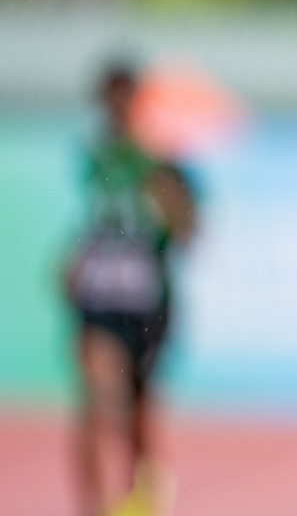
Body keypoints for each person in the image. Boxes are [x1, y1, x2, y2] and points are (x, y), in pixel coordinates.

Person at [66, 63, 198, 516]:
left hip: (146, 304)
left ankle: (141, 493)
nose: (116, 110)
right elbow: (96, 223)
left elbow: (188, 233)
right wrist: (74, 259)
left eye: (126, 99)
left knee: (138, 415)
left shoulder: (161, 160)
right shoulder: (94, 158)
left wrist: (165, 192)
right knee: (96, 400)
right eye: (109, 100)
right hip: (99, 299)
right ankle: (92, 505)